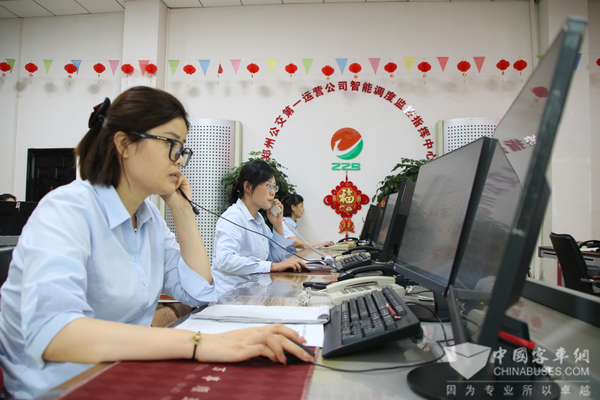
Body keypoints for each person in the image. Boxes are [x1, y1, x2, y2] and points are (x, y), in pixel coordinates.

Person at [0, 87, 312, 399]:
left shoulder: (149, 218)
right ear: (124, 144)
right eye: (171, 145)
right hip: (61, 386)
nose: (180, 160)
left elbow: (199, 291)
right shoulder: (67, 209)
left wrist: (182, 209)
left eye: (183, 149)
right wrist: (197, 343)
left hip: (122, 372)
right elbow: (54, 332)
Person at [212, 160, 308, 296]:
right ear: (248, 187)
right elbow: (225, 261)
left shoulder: (259, 219)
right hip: (231, 296)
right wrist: (272, 266)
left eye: (274, 187)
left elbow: (276, 260)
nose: (273, 192)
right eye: (268, 186)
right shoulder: (233, 217)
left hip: (254, 294)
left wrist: (277, 224)